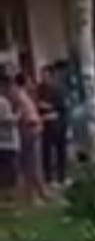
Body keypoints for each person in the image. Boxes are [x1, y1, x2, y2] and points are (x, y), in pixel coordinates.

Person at [11, 69, 45, 203]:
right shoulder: (20, 96)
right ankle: (31, 196)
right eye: (30, 80)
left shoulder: (26, 95)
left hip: (33, 128)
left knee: (35, 163)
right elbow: (20, 114)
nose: (32, 83)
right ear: (25, 82)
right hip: (28, 130)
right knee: (31, 163)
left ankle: (40, 192)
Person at [37, 62, 69, 187]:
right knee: (47, 152)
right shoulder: (40, 89)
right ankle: (49, 178)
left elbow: (63, 108)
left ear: (51, 76)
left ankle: (62, 176)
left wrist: (50, 107)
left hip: (58, 123)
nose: (44, 78)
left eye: (46, 75)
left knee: (61, 151)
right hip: (45, 124)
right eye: (42, 75)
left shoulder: (58, 89)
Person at [0, 72, 18, 201]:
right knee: (9, 169)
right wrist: (18, 115)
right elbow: (6, 120)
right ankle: (8, 196)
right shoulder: (2, 102)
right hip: (6, 140)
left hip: (3, 140)